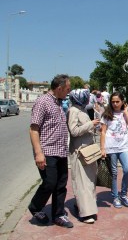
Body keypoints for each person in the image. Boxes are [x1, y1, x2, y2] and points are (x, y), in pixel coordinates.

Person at [28, 74, 73, 228]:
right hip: (47, 151)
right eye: (68, 88)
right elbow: (34, 129)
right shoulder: (43, 102)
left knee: (61, 184)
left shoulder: (59, 103)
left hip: (60, 151)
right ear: (59, 88)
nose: (69, 91)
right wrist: (38, 153)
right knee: (49, 183)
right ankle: (35, 207)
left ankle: (58, 215)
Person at [67, 89, 101, 223]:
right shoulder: (73, 111)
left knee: (90, 181)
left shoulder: (82, 109)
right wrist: (90, 124)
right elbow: (74, 131)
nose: (88, 100)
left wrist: (94, 126)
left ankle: (83, 205)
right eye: (86, 97)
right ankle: (86, 213)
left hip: (88, 150)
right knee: (82, 182)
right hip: (79, 151)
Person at [100, 92, 128, 208]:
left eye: (117, 101)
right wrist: (102, 148)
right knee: (114, 173)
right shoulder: (106, 115)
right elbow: (103, 132)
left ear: (122, 102)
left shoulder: (124, 113)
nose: (115, 104)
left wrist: (125, 112)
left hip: (123, 147)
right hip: (111, 147)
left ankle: (124, 194)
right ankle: (115, 196)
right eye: (113, 101)